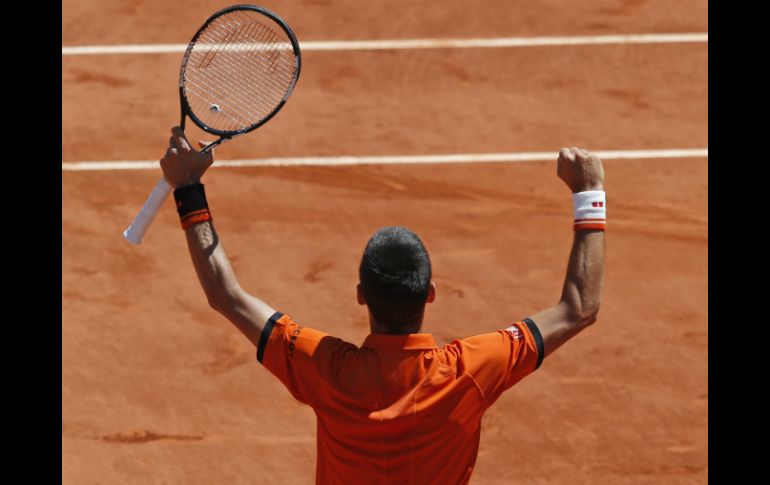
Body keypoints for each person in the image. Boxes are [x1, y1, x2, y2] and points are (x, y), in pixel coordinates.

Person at [160, 127, 606, 484]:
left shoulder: (325, 367)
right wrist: (589, 191)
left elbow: (226, 295)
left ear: (360, 295)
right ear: (429, 293)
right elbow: (579, 307)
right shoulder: (472, 368)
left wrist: (188, 188)